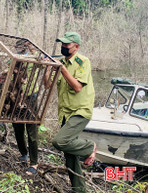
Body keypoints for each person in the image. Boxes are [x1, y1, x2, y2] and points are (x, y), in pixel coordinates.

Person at [44, 32, 96, 192]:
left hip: (80, 111)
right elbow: (48, 85)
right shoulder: (62, 63)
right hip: (66, 113)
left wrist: (61, 68)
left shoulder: (82, 62)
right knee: (70, 156)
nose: (63, 47)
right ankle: (79, 190)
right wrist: (49, 68)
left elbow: (78, 86)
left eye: (67, 44)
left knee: (59, 142)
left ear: (76, 47)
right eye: (62, 44)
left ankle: (90, 147)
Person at [11, 39, 39, 176]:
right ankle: (23, 154)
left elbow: (42, 64)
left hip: (30, 97)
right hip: (16, 97)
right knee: (17, 127)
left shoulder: (33, 58)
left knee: (32, 131)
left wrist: (32, 49)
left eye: (23, 47)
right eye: (18, 47)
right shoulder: (14, 58)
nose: (20, 49)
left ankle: (34, 163)